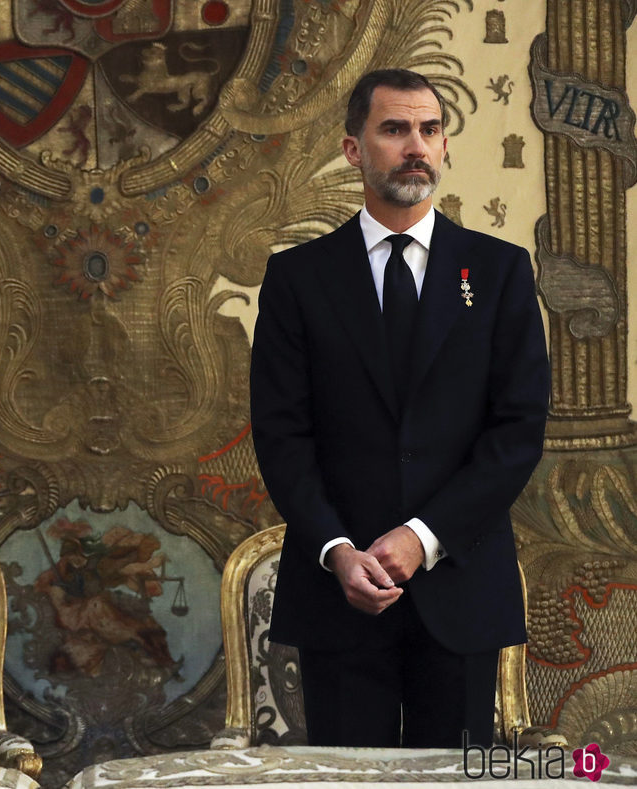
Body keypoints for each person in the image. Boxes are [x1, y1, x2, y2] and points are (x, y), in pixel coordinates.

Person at [249, 69, 549, 748]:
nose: (416, 145)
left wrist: (423, 535)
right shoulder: (298, 278)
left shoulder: (499, 271)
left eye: (430, 129)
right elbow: (282, 433)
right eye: (394, 129)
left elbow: (517, 430)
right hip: (340, 594)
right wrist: (336, 549)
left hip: (462, 588)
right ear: (355, 148)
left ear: (444, 146)